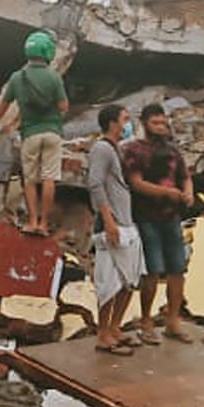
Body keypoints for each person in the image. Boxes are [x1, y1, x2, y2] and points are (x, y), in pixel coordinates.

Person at [124, 102, 194, 343]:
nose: (161, 127)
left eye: (163, 123)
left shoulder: (173, 151)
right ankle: (146, 321)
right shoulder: (134, 150)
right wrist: (166, 193)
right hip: (146, 216)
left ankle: (173, 320)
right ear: (144, 123)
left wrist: (187, 193)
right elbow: (136, 183)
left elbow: (185, 177)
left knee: (178, 269)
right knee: (152, 270)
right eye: (155, 123)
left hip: (172, 217)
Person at [0, 29, 68, 236]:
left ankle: (32, 221)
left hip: (30, 134)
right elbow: (63, 107)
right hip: (52, 133)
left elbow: (3, 105)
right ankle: (43, 223)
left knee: (30, 179)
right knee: (49, 178)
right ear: (48, 52)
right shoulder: (54, 77)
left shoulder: (17, 78)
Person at [87, 104, 147, 355]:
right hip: (112, 225)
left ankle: (115, 327)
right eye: (124, 119)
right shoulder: (102, 148)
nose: (127, 124)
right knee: (109, 281)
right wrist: (108, 220)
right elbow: (95, 184)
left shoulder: (116, 150)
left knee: (129, 279)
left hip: (127, 222)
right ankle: (103, 334)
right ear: (112, 122)